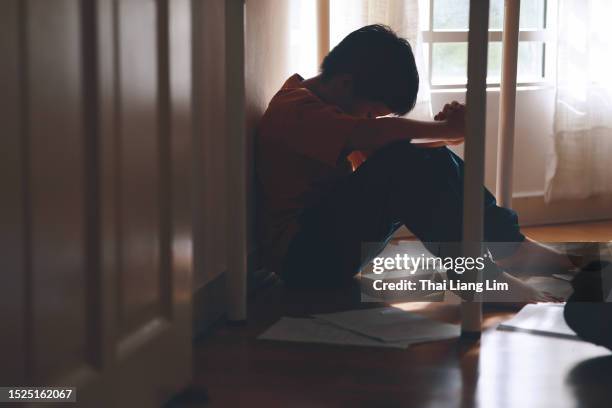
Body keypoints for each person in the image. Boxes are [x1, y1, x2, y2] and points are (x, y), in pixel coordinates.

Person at [255, 24, 577, 301]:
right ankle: (476, 273)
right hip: (304, 258)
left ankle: (510, 245)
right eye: (371, 113)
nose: (371, 121)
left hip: (328, 241)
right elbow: (377, 136)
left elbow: (390, 146)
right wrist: (445, 130)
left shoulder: (328, 107)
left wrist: (445, 138)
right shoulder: (295, 109)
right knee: (404, 156)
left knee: (422, 154)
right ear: (345, 83)